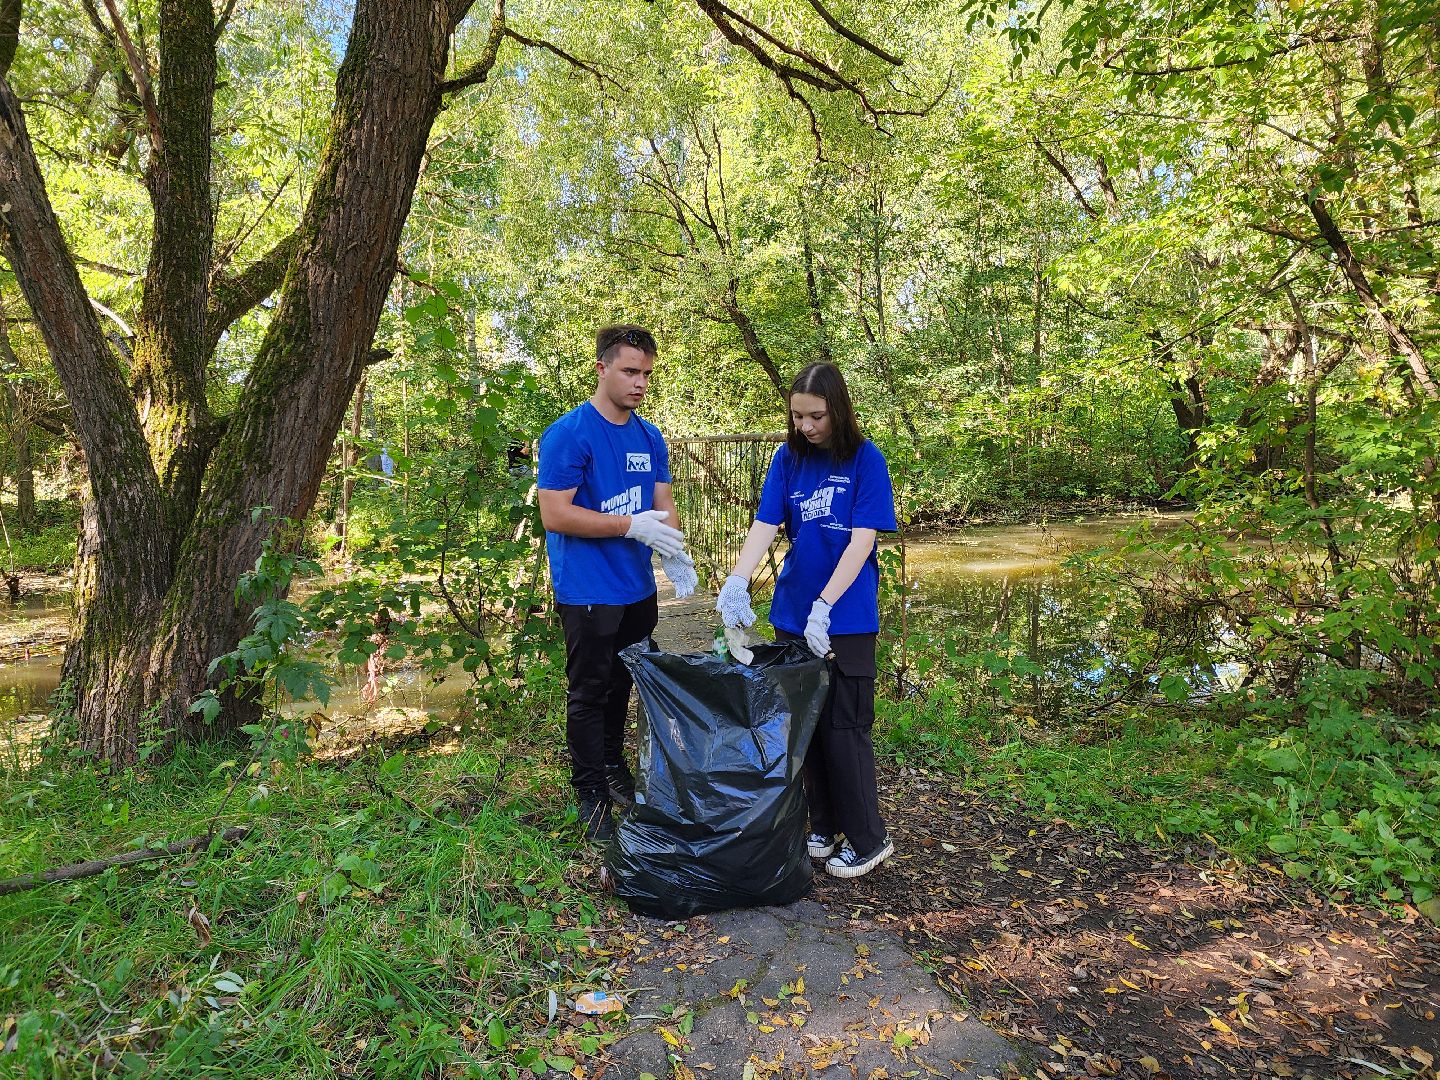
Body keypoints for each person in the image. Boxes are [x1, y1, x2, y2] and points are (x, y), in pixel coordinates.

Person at [716, 363, 896, 879]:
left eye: (815, 416)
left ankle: (868, 837)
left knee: (844, 727)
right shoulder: (788, 458)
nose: (805, 426)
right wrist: (737, 579)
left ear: (838, 410)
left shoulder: (866, 460)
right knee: (805, 723)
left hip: (845, 617)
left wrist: (827, 603)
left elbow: (864, 539)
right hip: (793, 614)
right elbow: (766, 522)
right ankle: (823, 824)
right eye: (797, 416)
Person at [538, 324, 698, 842]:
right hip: (587, 589)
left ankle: (612, 767)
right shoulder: (570, 433)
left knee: (624, 682)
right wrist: (628, 525)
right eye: (630, 371)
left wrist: (674, 549)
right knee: (588, 690)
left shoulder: (650, 436)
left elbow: (663, 504)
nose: (640, 384)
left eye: (647, 374)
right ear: (602, 368)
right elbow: (556, 514)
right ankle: (589, 792)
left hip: (638, 588)